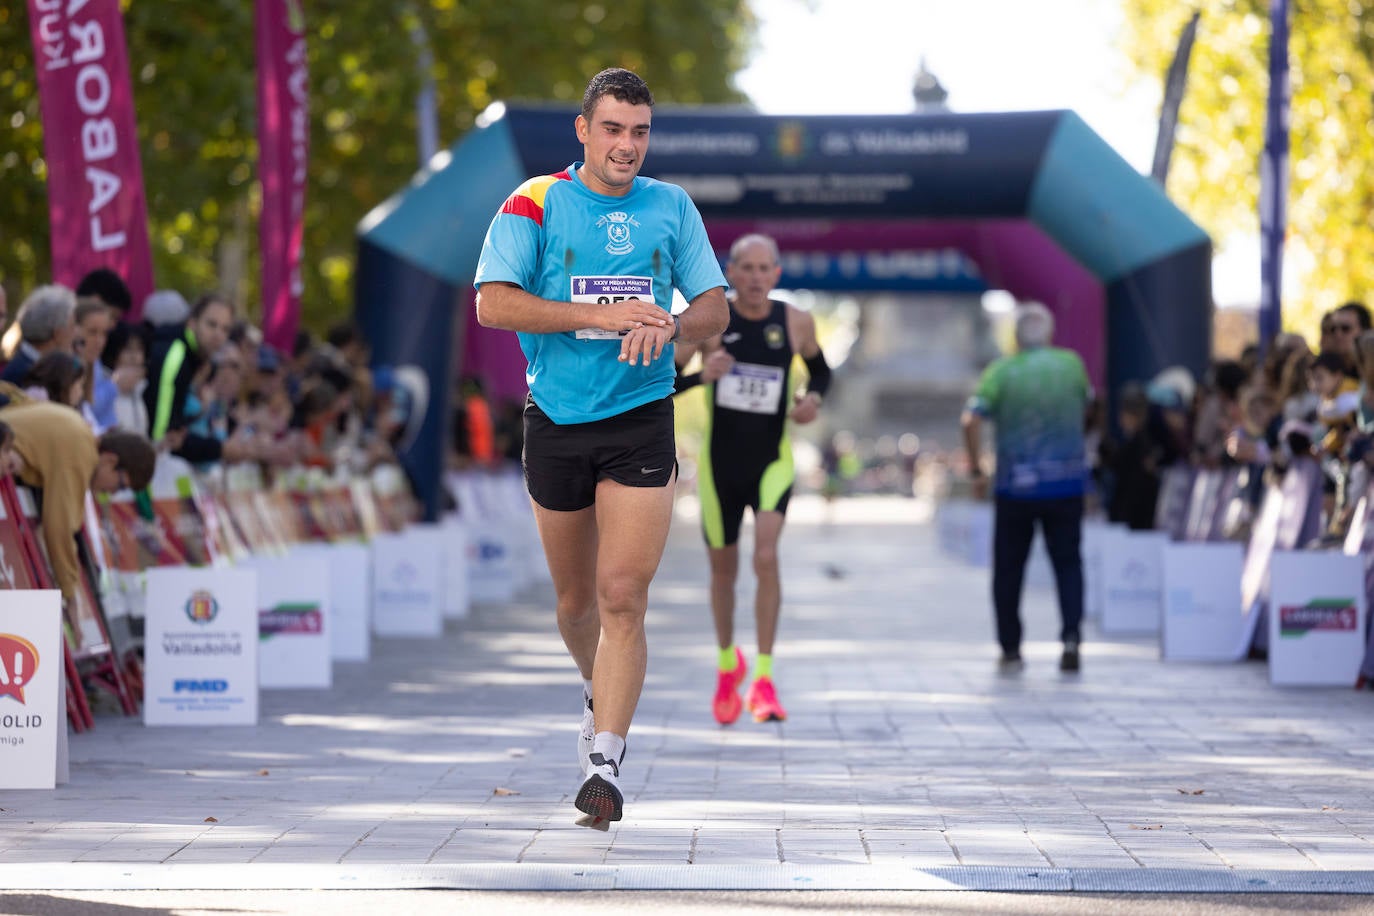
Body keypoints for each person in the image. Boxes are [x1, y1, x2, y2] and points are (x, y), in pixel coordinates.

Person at [473, 67, 728, 830]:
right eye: (613, 129)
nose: (627, 145)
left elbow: (713, 307)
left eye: (640, 131)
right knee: (577, 602)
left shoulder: (670, 206)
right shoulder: (536, 201)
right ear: (583, 130)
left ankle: (604, 762)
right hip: (555, 416)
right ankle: (598, 692)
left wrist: (671, 326)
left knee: (623, 595)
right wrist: (603, 314)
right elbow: (493, 303)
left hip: (641, 416)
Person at [672, 233, 830, 725]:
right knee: (724, 572)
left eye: (766, 269)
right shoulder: (712, 321)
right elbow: (667, 382)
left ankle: (763, 678)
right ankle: (727, 665)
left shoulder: (796, 321)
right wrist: (704, 376)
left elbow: (822, 372)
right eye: (748, 269)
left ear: (777, 274)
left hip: (772, 460)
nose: (757, 278)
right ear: (731, 274)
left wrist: (812, 401)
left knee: (765, 555)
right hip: (721, 466)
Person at [960, 303, 1090, 673]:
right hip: (1066, 483)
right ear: (1049, 333)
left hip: (1015, 488)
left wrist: (976, 471)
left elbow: (970, 419)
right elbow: (1089, 405)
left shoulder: (1002, 371)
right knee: (1068, 564)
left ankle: (1011, 647)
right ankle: (1071, 637)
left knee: (1009, 569)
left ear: (1015, 336)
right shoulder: (1071, 366)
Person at [0, 399, 155, 599]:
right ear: (110, 460)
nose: (114, 492)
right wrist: (70, 595)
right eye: (121, 485)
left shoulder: (79, 431)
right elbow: (58, 529)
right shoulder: (81, 452)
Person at [1, 285, 77, 385]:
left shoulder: (28, 364)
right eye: (72, 326)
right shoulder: (30, 374)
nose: (75, 333)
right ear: (58, 333)